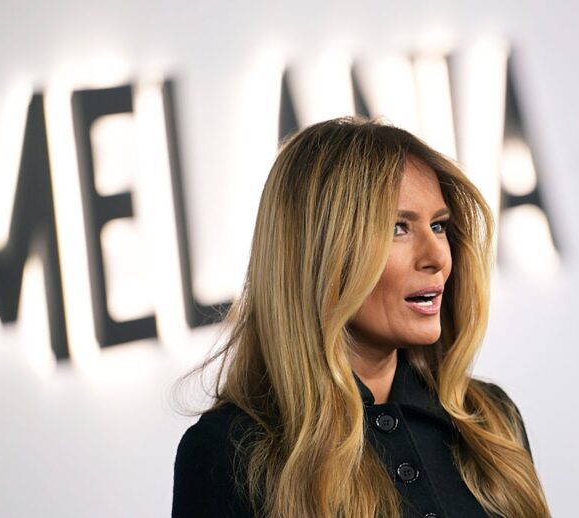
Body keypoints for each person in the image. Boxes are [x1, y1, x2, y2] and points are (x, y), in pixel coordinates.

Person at [172, 118, 550, 517]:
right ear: (320, 253)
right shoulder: (227, 452)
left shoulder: (489, 418)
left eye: (438, 226)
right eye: (397, 228)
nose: (437, 256)